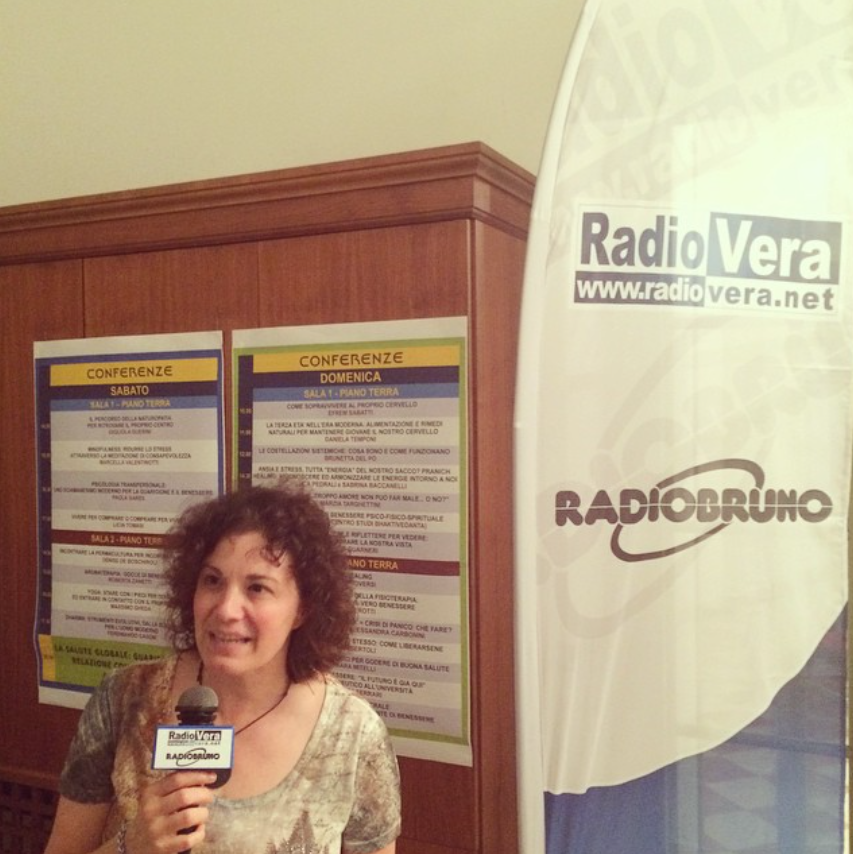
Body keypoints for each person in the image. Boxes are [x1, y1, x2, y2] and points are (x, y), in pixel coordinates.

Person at [44, 480, 401, 854]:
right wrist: (130, 846)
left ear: (303, 609)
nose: (227, 610)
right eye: (212, 581)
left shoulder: (353, 735)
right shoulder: (124, 699)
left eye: (257, 588)